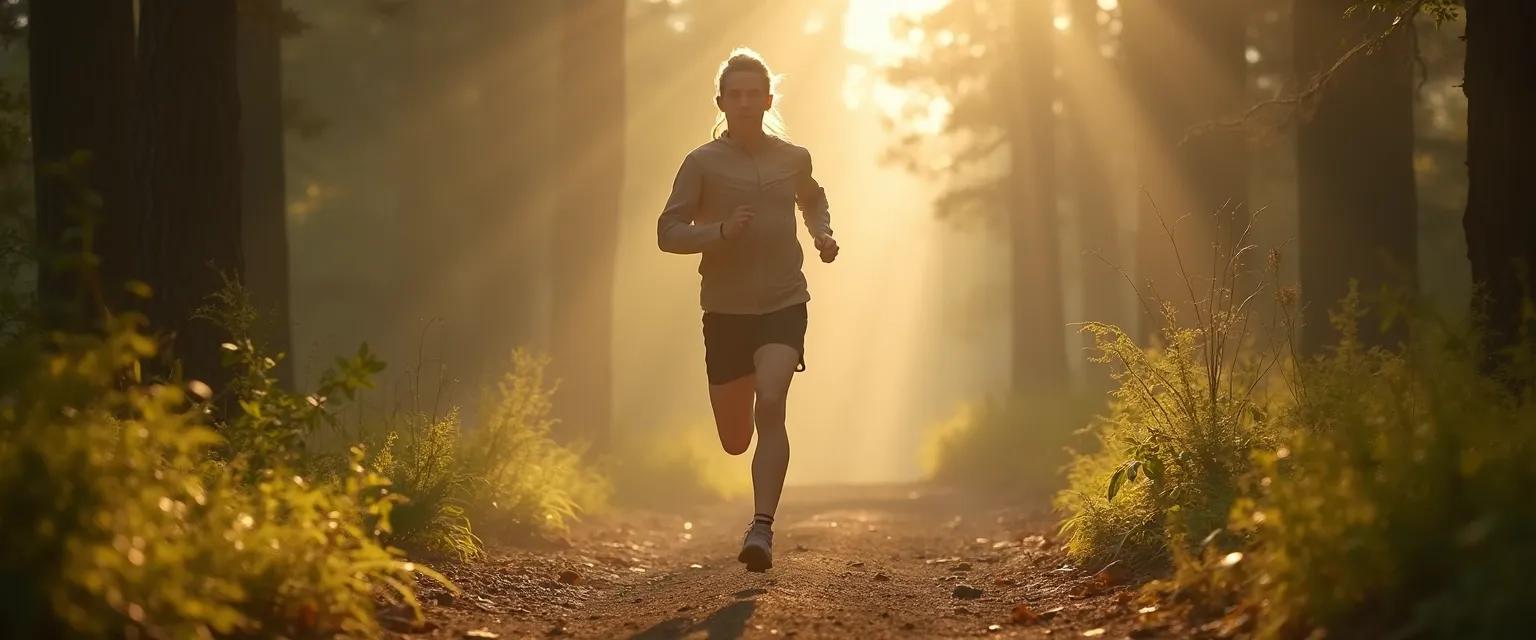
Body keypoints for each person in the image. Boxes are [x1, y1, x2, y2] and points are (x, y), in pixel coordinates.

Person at [656, 48, 839, 572]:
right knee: (736, 439)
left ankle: (761, 528)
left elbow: (813, 198)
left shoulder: (793, 157)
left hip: (784, 299)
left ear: (767, 100)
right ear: (721, 101)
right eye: (733, 95)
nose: (743, 102)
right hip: (726, 309)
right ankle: (752, 487)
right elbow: (667, 232)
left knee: (773, 403)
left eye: (752, 94)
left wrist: (822, 233)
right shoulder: (701, 164)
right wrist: (719, 232)